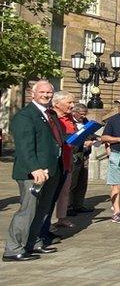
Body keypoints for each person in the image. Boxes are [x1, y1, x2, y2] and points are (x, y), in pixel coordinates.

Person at [3, 80, 60, 262]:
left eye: (49, 92)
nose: (46, 95)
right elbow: (25, 146)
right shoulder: (26, 116)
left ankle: (32, 242)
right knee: (28, 209)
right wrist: (35, 168)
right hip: (33, 173)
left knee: (42, 210)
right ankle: (13, 248)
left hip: (50, 170)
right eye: (42, 92)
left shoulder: (49, 114)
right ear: (32, 94)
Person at [51, 92, 78, 231]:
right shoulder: (51, 118)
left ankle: (62, 217)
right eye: (69, 103)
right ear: (57, 103)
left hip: (68, 159)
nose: (72, 106)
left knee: (65, 191)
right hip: (54, 161)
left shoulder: (70, 118)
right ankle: (46, 221)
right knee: (50, 193)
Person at [67, 103, 94, 216]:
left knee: (82, 182)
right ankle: (68, 207)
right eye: (81, 114)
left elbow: (89, 133)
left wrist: (92, 139)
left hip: (84, 154)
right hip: (74, 155)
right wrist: (83, 142)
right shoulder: (69, 122)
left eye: (84, 114)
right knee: (72, 182)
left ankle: (78, 204)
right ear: (74, 112)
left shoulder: (85, 121)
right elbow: (69, 139)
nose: (83, 116)